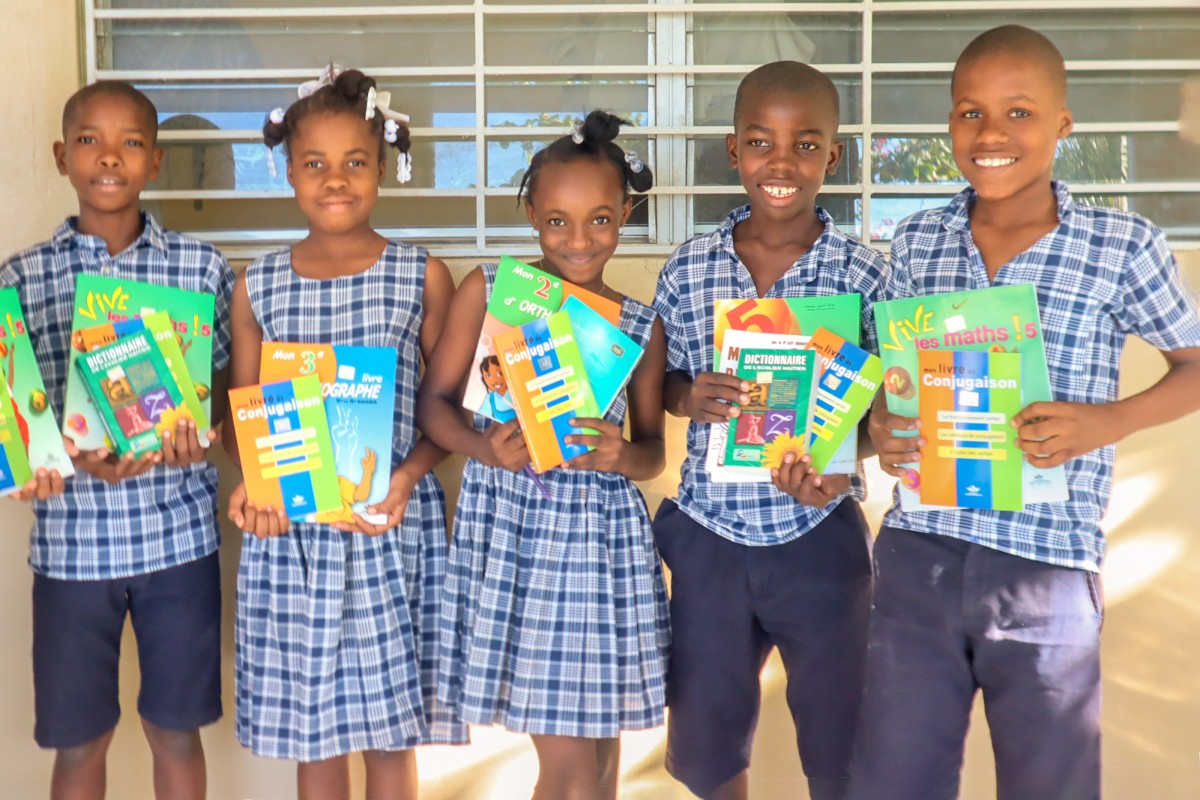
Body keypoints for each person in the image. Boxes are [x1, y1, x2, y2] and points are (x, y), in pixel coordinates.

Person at [851, 25, 1200, 800]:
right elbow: (883, 377)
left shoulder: (1121, 244)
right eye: (970, 113)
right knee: (891, 781)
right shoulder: (916, 240)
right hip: (919, 554)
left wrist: (1109, 421)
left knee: (1051, 784)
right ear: (949, 126)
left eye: (1019, 113)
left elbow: (1195, 366)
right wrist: (878, 427)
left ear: (1063, 125)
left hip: (1048, 563)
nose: (991, 134)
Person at [224, 67, 465, 800]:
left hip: (387, 528)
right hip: (293, 537)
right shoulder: (256, 284)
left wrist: (407, 477)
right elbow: (245, 407)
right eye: (315, 164)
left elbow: (445, 409)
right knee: (314, 737)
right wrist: (253, 489)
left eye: (355, 162)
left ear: (383, 167)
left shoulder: (420, 275)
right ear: (287, 171)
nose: (336, 180)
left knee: (391, 739)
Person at [417, 109, 669, 800]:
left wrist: (620, 455)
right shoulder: (491, 293)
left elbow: (652, 453)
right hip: (518, 533)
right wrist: (483, 447)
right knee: (568, 769)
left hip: (600, 547)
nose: (579, 239)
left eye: (599, 219)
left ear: (626, 214)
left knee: (597, 765)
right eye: (557, 220)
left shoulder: (641, 328)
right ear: (530, 212)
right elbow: (433, 407)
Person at [652, 61, 885, 800]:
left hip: (818, 537)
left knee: (842, 745)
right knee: (708, 749)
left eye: (805, 144)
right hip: (709, 534)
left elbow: (882, 417)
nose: (780, 163)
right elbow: (660, 387)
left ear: (833, 157)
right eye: (760, 142)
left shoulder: (865, 278)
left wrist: (840, 462)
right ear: (732, 151)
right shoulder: (689, 269)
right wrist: (693, 398)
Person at [0, 80, 233, 799]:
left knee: (176, 731)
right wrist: (51, 457)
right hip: (72, 550)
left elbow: (226, 392)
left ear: (155, 161)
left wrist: (207, 438)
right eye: (91, 141)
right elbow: (15, 418)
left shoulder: (200, 270)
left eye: (131, 142)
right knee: (79, 744)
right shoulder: (21, 277)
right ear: (61, 155)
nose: (110, 157)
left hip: (179, 543)